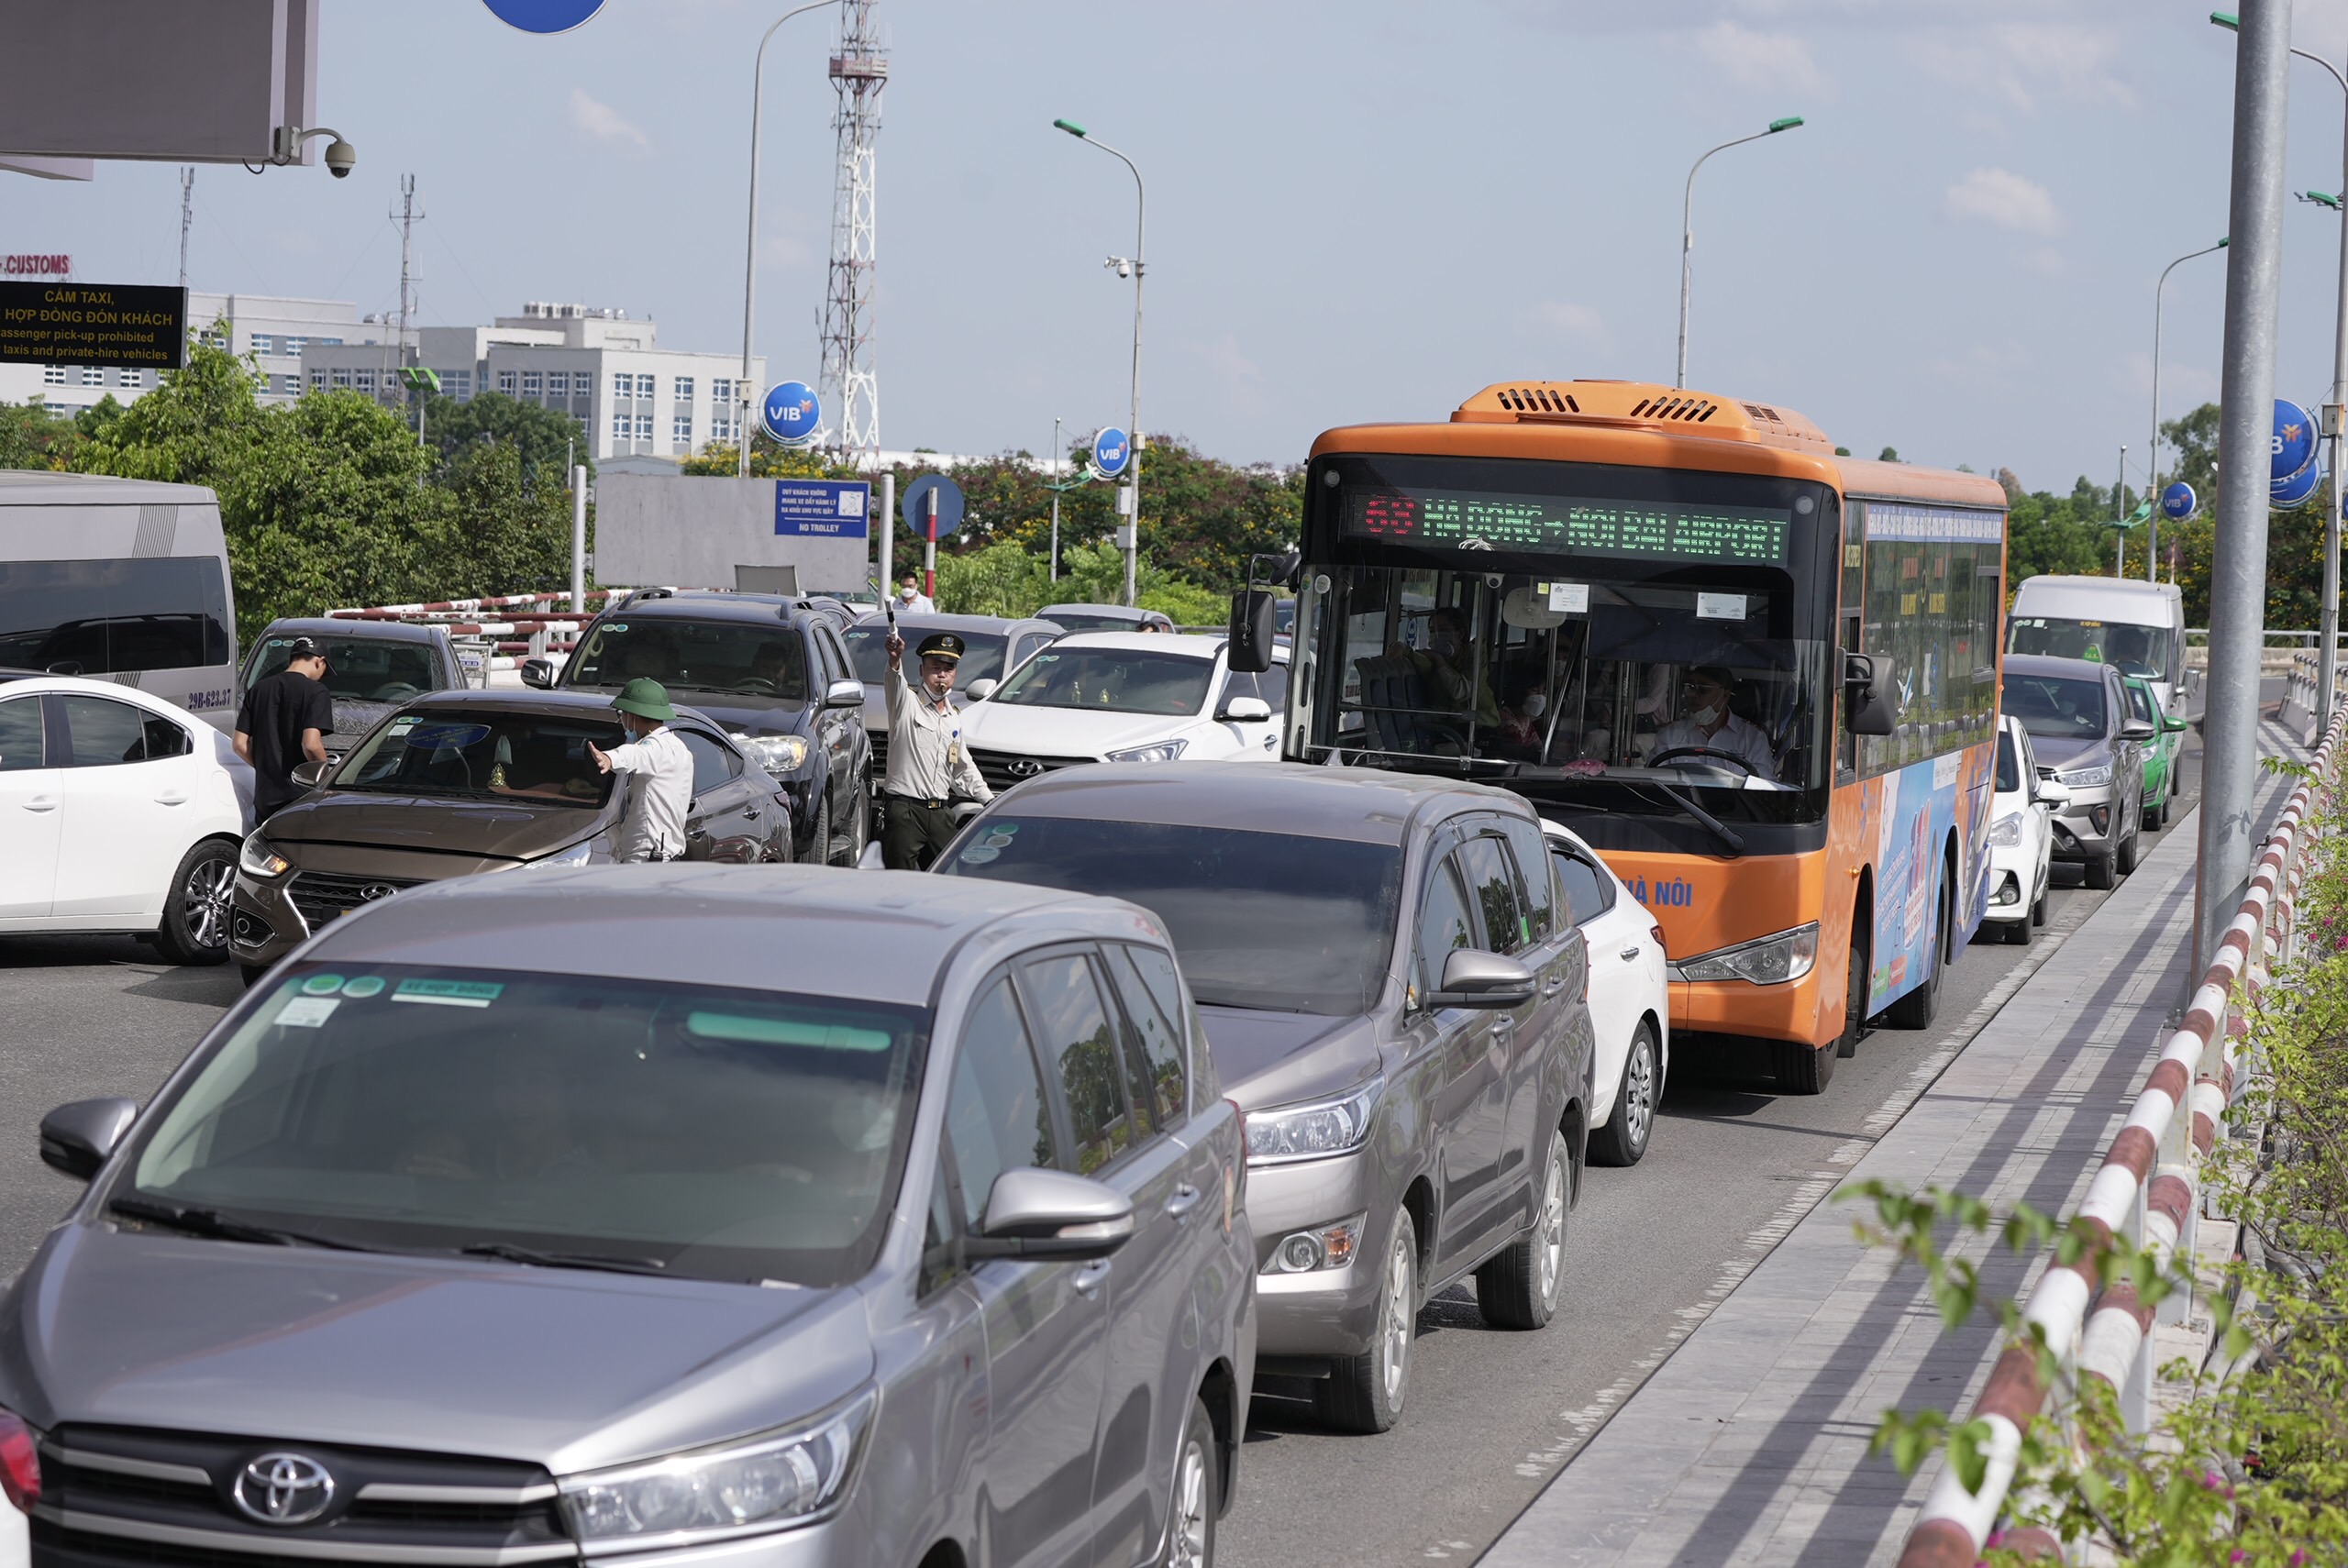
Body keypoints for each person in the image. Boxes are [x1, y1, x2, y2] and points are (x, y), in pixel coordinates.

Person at [882, 630, 991, 869]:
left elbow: (963, 768)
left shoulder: (954, 717)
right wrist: (894, 658)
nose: (941, 674)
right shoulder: (906, 703)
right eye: (935, 667)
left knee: (951, 876)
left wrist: (990, 801)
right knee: (897, 882)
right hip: (905, 812)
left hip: (940, 812)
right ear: (922, 671)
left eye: (949, 668)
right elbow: (894, 680)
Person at [587, 678, 694, 862]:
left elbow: (634, 754)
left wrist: (609, 759)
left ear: (633, 716)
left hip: (646, 857)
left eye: (622, 714)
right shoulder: (679, 748)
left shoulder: (655, 748)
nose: (622, 721)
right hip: (663, 855)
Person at [234, 635, 333, 823]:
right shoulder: (316, 691)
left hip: (265, 796)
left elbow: (239, 744)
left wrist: (265, 766)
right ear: (320, 661)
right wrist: (326, 779)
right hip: (300, 798)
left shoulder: (258, 689)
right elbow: (310, 744)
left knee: (267, 849)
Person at [1653, 666, 1777, 778]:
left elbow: (1762, 786)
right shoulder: (1669, 735)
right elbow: (1654, 782)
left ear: (1725, 695)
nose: (1693, 695)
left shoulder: (1752, 738)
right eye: (1690, 687)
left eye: (1703, 689)